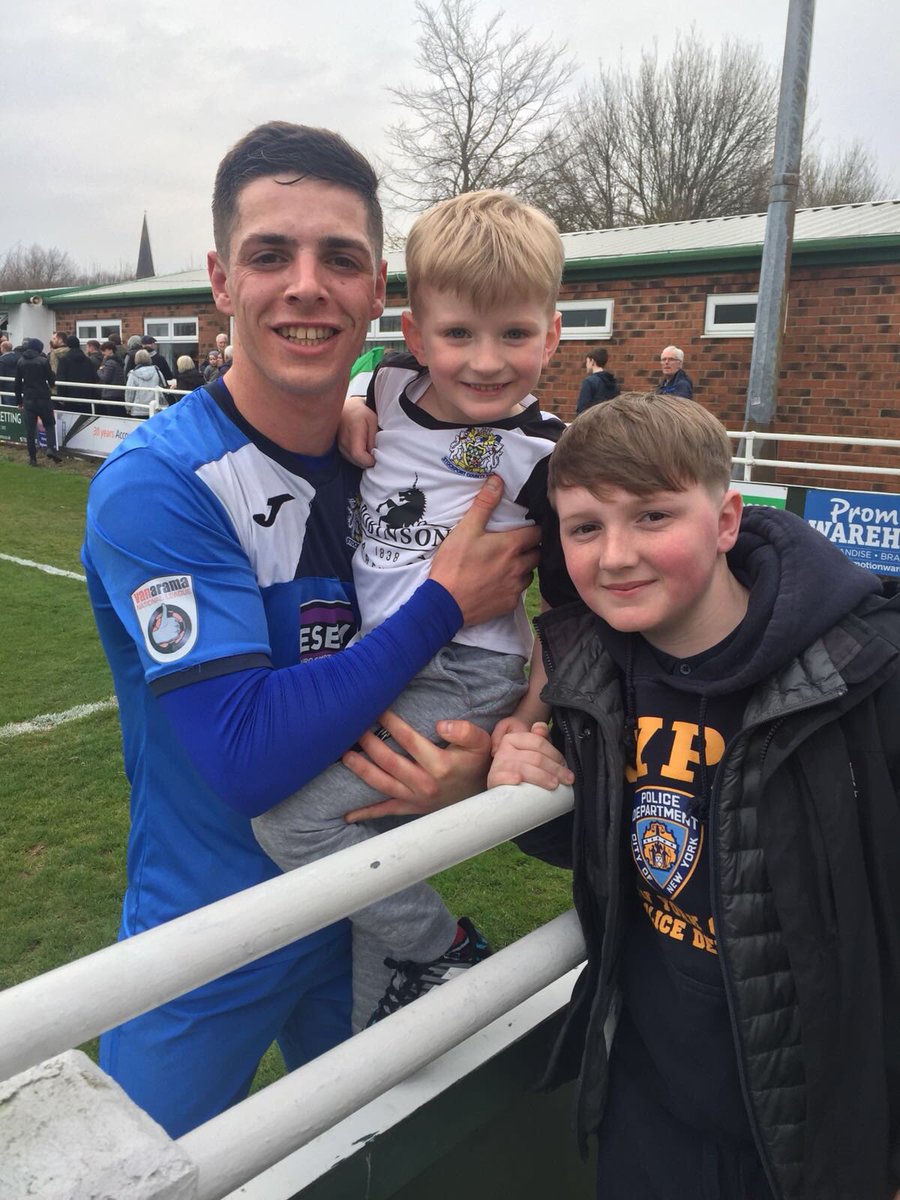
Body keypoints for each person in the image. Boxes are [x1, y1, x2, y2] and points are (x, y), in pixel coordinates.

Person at [81, 120, 539, 1139]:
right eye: (269, 254)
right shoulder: (157, 486)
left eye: (339, 258)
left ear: (378, 290)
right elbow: (244, 756)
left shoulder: (398, 456)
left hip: (365, 917)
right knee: (125, 1174)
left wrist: (482, 759)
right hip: (206, 934)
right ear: (219, 280)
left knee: (400, 1165)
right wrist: (441, 607)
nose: (305, 285)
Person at [488, 393, 900, 1200]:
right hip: (653, 1108)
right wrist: (522, 783)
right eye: (585, 527)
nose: (615, 556)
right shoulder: (591, 672)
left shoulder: (864, 673)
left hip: (824, 1126)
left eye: (652, 517)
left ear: (725, 520)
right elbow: (627, 844)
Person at [253, 189, 575, 1028]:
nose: (485, 361)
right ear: (416, 332)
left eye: (514, 334)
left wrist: (526, 722)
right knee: (377, 839)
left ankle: (441, 949)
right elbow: (354, 394)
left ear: (553, 332)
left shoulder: (551, 455)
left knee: (294, 825)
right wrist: (352, 407)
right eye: (459, 334)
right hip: (380, 656)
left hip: (467, 672)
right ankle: (393, 1009)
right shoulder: (386, 389)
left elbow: (574, 614)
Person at [15, 338, 62, 465]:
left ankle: (32, 458)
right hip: (43, 397)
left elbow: (17, 383)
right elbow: (51, 380)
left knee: (30, 430)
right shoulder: (43, 361)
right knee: (49, 424)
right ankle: (51, 448)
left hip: (28, 398)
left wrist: (19, 400)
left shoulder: (20, 361)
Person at [55, 335, 100, 414]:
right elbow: (95, 377)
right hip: (87, 396)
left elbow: (61, 378)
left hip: (70, 397)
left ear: (68, 344)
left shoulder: (64, 360)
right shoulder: (88, 360)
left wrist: (60, 396)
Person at [575, 345, 619, 414]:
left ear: (592, 361)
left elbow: (582, 409)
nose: (586, 365)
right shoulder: (613, 383)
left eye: (587, 361)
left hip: (592, 422)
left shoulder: (589, 382)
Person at [124, 348, 167, 417]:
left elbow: (129, 392)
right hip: (155, 408)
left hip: (138, 409)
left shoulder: (133, 374)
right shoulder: (157, 371)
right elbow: (163, 386)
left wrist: (128, 408)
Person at [97, 341, 126, 415]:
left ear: (110, 350)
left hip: (111, 394)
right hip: (119, 393)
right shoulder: (119, 361)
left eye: (104, 350)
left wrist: (99, 371)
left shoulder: (110, 362)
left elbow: (105, 378)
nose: (103, 353)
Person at [0, 339, 22, 404]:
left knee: (8, 409)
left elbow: (1, 374)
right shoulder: (20, 357)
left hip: (7, 389)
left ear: (3, 349)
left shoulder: (2, 360)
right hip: (20, 387)